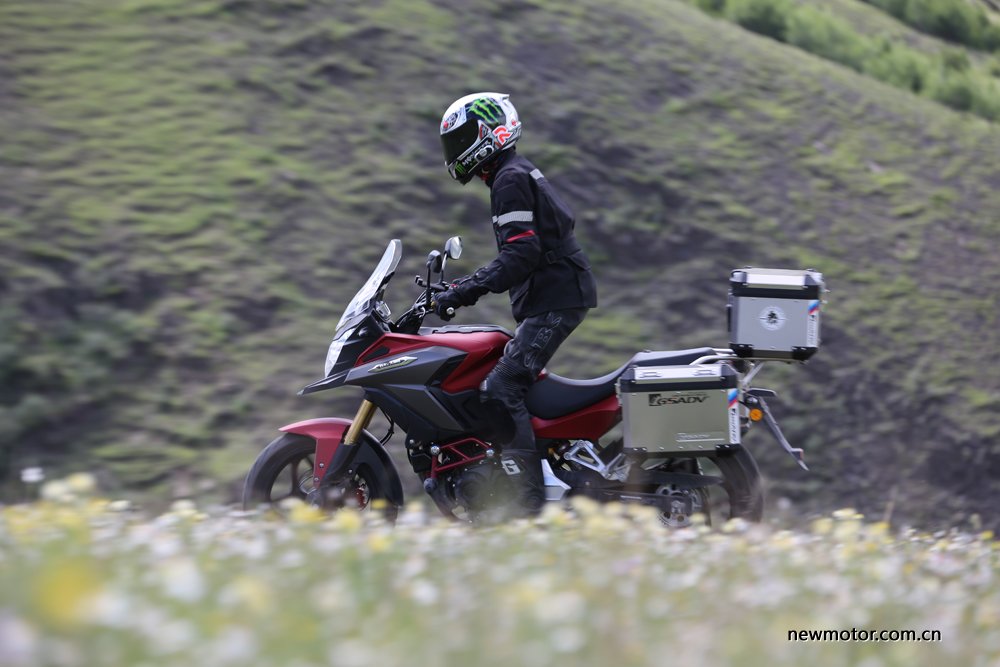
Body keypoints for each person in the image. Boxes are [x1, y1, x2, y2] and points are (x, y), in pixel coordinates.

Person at [434, 92, 598, 517]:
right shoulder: (511, 173)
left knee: (503, 386)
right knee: (504, 375)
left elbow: (520, 255)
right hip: (554, 295)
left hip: (557, 299)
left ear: (488, 133)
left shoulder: (508, 179)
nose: (456, 151)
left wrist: (463, 290)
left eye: (462, 138)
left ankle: (527, 503)